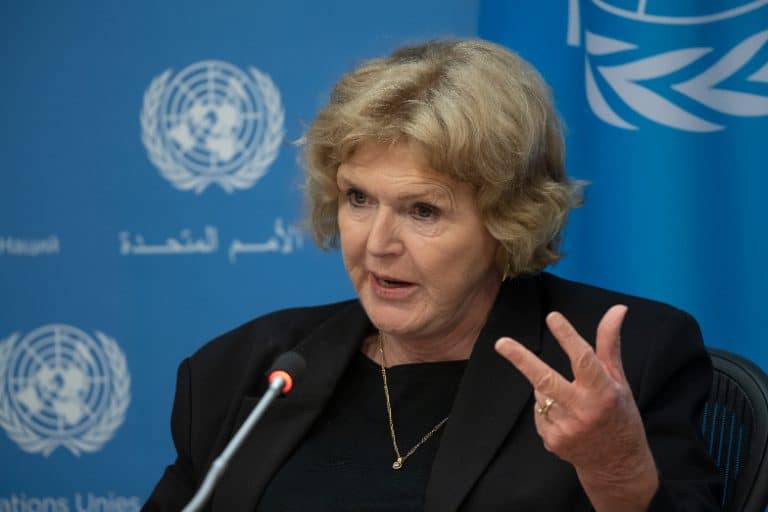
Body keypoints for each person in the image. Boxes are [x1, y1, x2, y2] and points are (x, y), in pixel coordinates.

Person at [144, 39, 721, 511]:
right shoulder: (245, 371)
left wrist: (616, 472)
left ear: (506, 220)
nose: (377, 245)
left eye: (424, 210)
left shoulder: (626, 360)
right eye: (358, 198)